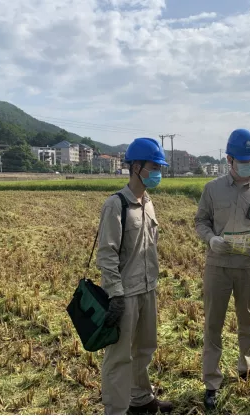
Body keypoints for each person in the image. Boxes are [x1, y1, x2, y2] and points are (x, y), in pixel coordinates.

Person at [194, 128, 250, 410]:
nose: (248, 165)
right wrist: (211, 239)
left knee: (248, 323)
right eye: (243, 160)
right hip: (218, 266)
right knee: (213, 325)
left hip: (248, 266)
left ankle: (246, 370)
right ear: (229, 159)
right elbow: (200, 222)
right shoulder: (212, 189)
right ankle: (211, 382)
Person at [97, 137, 174, 415]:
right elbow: (106, 255)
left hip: (147, 289)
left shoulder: (149, 202)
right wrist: (115, 294)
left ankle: (141, 400)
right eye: (154, 166)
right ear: (136, 167)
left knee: (145, 349)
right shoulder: (116, 205)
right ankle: (116, 410)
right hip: (124, 294)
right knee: (119, 357)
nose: (158, 173)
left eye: (160, 167)